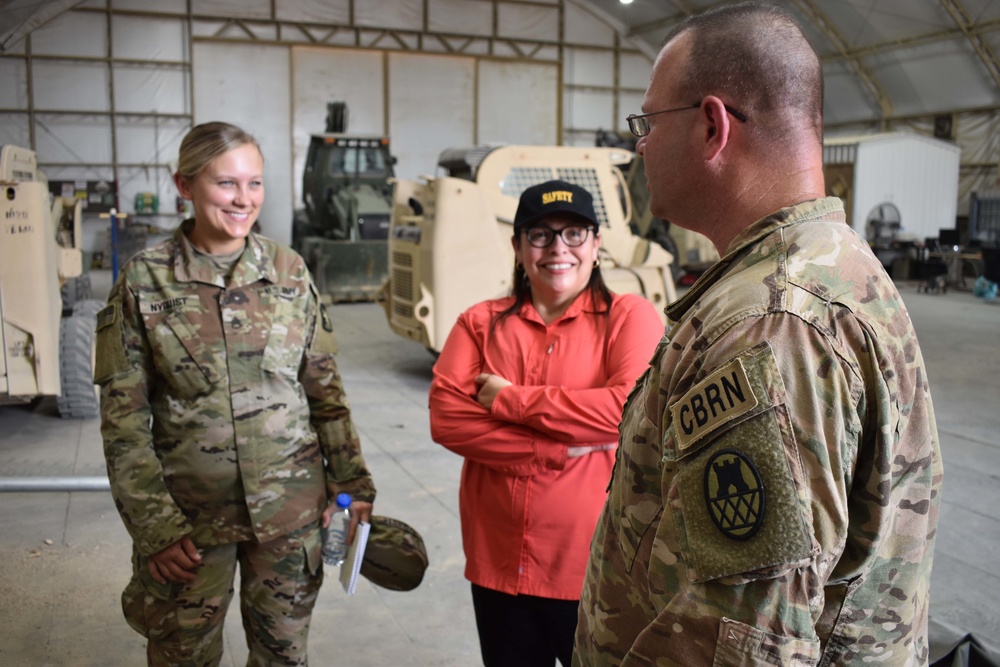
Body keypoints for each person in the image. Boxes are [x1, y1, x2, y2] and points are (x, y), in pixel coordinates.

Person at [575, 4, 943, 666]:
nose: (640, 146)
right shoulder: (828, 267)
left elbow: (740, 645)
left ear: (713, 126)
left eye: (648, 125)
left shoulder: (770, 325)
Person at [95, 121, 375, 666]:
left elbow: (325, 391)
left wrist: (352, 482)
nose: (243, 199)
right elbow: (123, 423)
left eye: (255, 183)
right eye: (226, 184)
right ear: (185, 185)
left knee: (283, 658)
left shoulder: (290, 272)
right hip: (190, 524)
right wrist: (155, 527)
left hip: (291, 516)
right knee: (182, 657)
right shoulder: (143, 282)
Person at [429, 179, 664, 667]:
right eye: (540, 234)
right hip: (499, 563)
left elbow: (626, 411)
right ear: (518, 247)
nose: (558, 248)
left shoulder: (630, 318)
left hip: (595, 564)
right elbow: (448, 418)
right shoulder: (480, 323)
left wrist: (511, 400)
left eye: (574, 234)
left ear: (596, 245)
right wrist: (553, 449)